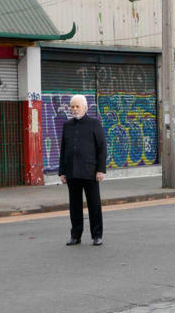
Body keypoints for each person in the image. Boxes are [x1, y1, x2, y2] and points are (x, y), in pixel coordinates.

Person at [59, 94, 107, 246]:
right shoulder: (67, 125)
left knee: (94, 205)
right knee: (75, 206)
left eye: (77, 106)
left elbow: (102, 148)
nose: (74, 109)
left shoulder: (94, 124)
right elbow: (63, 149)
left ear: (85, 107)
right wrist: (62, 171)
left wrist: (100, 170)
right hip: (72, 172)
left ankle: (97, 235)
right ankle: (76, 235)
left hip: (90, 172)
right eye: (72, 106)